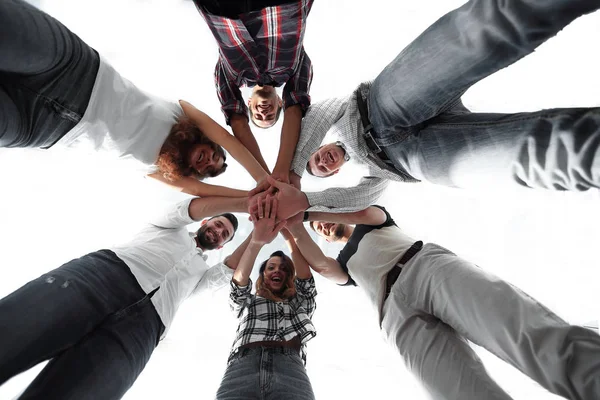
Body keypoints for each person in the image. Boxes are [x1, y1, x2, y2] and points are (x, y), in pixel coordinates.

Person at [253, 0, 600, 215]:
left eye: (318, 158)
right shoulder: (373, 178)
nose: (324, 163)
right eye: (324, 171)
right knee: (538, 157)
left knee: (486, 33)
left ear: (320, 148)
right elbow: (353, 199)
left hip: (381, 108)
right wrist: (309, 201)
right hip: (412, 159)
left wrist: (297, 172)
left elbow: (314, 118)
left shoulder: (336, 117)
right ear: (334, 174)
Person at [283, 205, 600, 400]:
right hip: (395, 316)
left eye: (322, 221)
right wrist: (295, 227)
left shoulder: (372, 220)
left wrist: (309, 211)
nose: (321, 226)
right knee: (455, 392)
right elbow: (324, 267)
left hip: (423, 268)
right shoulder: (345, 262)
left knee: (515, 328)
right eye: (318, 229)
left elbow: (365, 212)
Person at [0, 0, 266, 198]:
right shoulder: (181, 113)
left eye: (209, 169)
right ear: (207, 142)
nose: (208, 161)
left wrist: (250, 197)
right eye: (214, 156)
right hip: (73, 69)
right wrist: (263, 181)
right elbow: (230, 140)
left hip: (42, 128)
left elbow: (200, 191)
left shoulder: (165, 173)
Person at [0, 195, 249, 399]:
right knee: (15, 333)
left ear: (220, 246)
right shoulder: (169, 226)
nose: (218, 232)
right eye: (218, 224)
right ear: (206, 221)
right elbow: (186, 209)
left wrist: (258, 234)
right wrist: (245, 203)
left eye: (224, 234)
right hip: (103, 277)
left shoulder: (201, 274)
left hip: (144, 328)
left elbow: (229, 270)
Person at [193, 0, 313, 184]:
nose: (264, 114)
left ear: (248, 103)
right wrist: (280, 173)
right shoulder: (293, 70)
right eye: (271, 116)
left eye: (258, 116)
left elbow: (237, 120)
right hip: (284, 8)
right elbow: (295, 108)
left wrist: (264, 178)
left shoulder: (230, 76)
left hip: (225, 10)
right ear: (280, 102)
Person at [216, 196, 317, 400]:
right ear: (262, 275)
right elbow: (238, 285)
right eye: (270, 267)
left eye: (283, 268)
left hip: (290, 370)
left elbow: (306, 282)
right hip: (242, 367)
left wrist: (287, 233)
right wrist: (257, 241)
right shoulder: (249, 302)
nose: (276, 271)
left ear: (290, 275)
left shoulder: (298, 303)